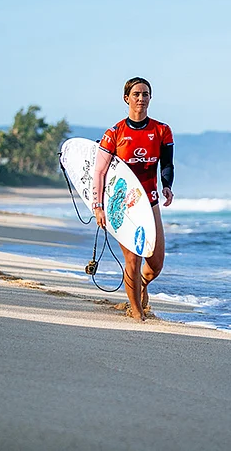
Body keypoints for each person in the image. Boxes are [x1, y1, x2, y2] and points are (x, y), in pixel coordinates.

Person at [91, 77, 174, 322]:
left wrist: (167, 185)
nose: (141, 98)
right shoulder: (114, 133)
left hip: (149, 200)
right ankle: (136, 312)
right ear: (126, 98)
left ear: (150, 98)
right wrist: (98, 206)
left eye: (145, 94)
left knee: (156, 263)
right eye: (136, 94)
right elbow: (99, 172)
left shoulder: (161, 130)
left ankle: (139, 286)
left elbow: (167, 164)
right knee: (132, 259)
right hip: (121, 204)